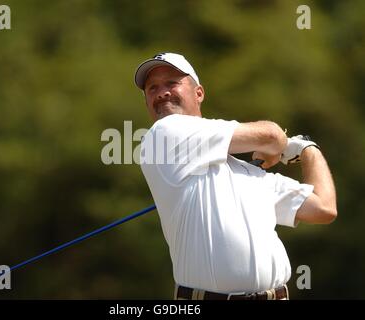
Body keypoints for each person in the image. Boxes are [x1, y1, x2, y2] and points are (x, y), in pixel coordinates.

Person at [134, 53, 337, 300]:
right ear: (147, 103)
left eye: (172, 83)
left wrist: (308, 150)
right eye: (152, 88)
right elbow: (272, 136)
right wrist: (281, 146)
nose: (162, 92)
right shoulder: (163, 133)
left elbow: (324, 209)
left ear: (199, 93)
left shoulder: (251, 174)